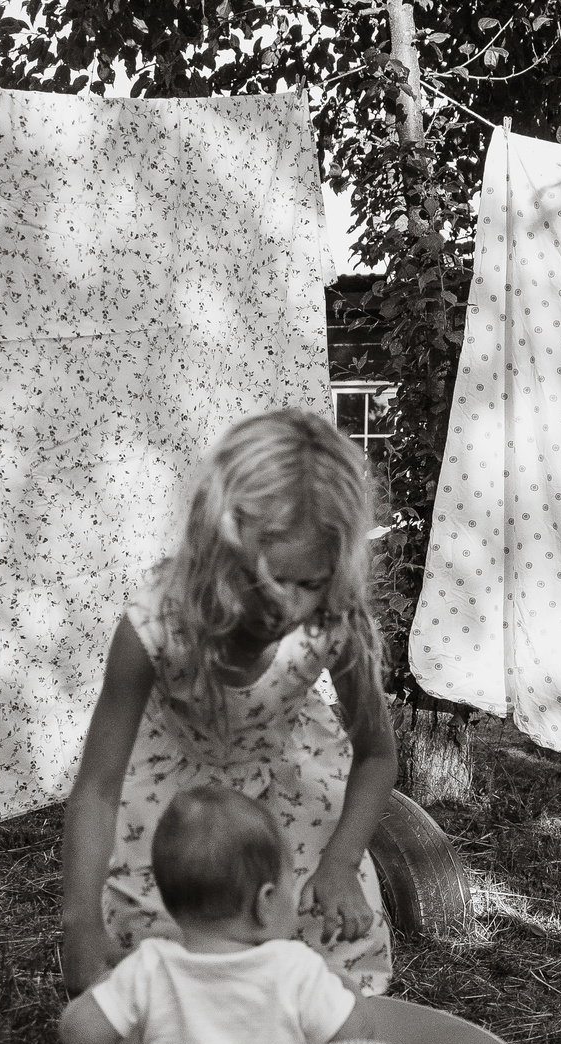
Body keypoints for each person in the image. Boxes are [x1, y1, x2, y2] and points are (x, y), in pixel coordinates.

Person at [61, 409, 397, 1002]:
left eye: (307, 582)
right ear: (218, 549)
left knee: (321, 938)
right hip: (173, 796)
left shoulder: (335, 623)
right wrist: (79, 926)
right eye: (258, 579)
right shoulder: (157, 622)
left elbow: (375, 757)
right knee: (169, 952)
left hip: (286, 784)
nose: (284, 606)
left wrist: (341, 861)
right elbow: (97, 788)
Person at [59, 786, 379, 1044]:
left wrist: (108, 979)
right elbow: (354, 1040)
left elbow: (76, 1034)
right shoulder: (298, 969)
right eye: (289, 889)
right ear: (265, 901)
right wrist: (343, 982)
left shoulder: (148, 968)